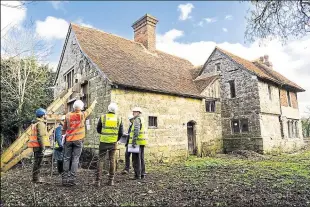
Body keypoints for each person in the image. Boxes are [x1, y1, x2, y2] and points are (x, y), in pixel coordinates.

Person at [62, 100, 94, 186]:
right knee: (75, 159)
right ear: (81, 107)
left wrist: (63, 137)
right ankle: (72, 179)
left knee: (66, 158)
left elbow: (64, 128)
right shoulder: (82, 115)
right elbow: (89, 110)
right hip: (78, 140)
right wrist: (94, 103)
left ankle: (64, 179)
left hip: (68, 140)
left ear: (73, 107)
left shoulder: (68, 115)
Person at [96, 102, 123, 186]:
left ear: (108, 109)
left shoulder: (103, 117)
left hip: (103, 141)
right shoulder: (119, 118)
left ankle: (98, 181)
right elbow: (121, 132)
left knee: (101, 160)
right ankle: (111, 180)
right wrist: (116, 139)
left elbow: (98, 129)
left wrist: (104, 134)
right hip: (113, 142)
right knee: (112, 160)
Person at [27, 108, 50, 183]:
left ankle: (35, 178)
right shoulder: (40, 124)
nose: (46, 115)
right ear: (43, 115)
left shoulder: (36, 123)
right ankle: (36, 179)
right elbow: (40, 136)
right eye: (45, 114)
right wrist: (43, 147)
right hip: (39, 146)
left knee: (37, 161)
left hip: (36, 146)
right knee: (38, 162)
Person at [129, 107, 147, 180]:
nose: (133, 113)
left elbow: (136, 130)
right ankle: (142, 174)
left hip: (137, 142)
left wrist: (133, 141)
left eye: (135, 112)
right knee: (141, 158)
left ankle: (137, 175)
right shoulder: (142, 119)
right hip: (141, 142)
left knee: (136, 159)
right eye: (133, 112)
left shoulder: (136, 120)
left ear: (138, 113)